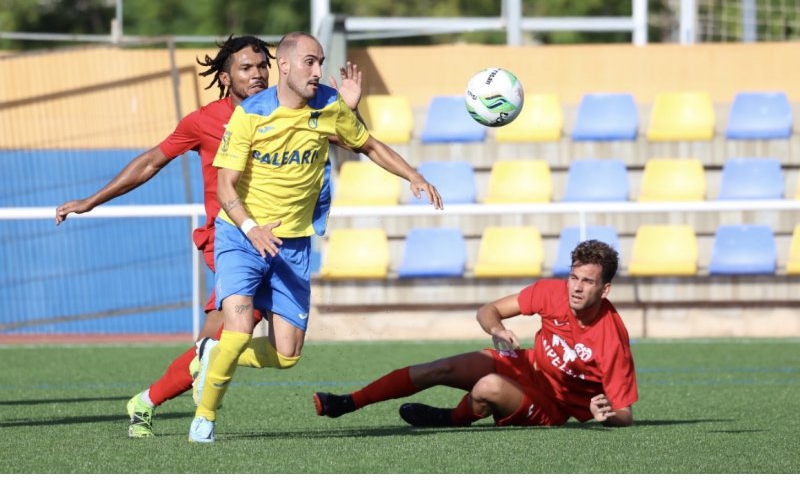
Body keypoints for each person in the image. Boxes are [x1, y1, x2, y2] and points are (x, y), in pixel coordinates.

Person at [54, 34, 364, 438]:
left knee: (230, 341)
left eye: (261, 66)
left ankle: (146, 400)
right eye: (245, 68)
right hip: (231, 238)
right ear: (224, 77)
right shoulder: (203, 121)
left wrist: (350, 110)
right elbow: (151, 162)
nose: (256, 75)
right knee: (238, 324)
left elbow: (352, 141)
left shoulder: (292, 108)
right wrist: (91, 200)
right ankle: (182, 405)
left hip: (284, 238)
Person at [188, 31, 443, 443]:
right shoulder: (250, 114)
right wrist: (251, 230)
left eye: (321, 61)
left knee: (287, 356)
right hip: (242, 236)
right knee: (236, 328)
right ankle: (205, 418)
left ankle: (212, 355)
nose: (318, 70)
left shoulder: (328, 105)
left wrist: (413, 175)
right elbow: (225, 187)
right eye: (310, 61)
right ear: (284, 66)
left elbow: (368, 145)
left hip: (292, 244)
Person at [314, 239, 638, 429]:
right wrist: (497, 329)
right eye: (574, 277)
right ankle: (347, 402)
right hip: (526, 365)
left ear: (605, 288)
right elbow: (488, 310)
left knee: (488, 387)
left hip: (552, 406)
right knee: (438, 368)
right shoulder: (551, 292)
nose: (577, 288)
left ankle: (453, 418)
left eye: (588, 282)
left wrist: (606, 417)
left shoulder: (611, 337)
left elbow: (624, 413)